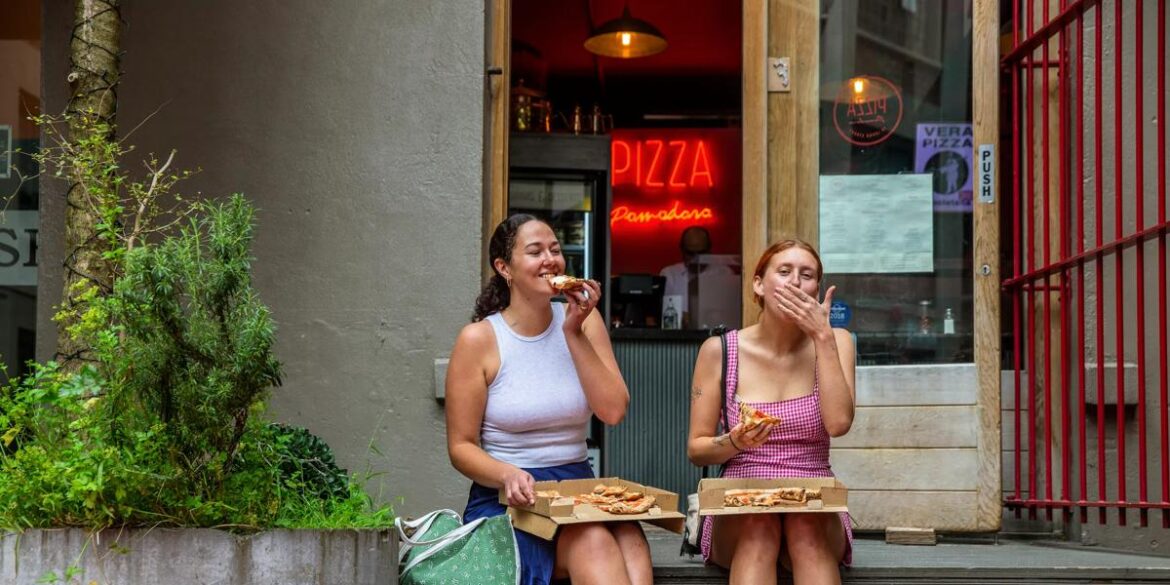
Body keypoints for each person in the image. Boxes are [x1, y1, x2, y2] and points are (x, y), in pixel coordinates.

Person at [445, 213, 652, 585]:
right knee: (594, 542)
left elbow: (614, 410)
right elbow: (461, 446)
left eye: (555, 250)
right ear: (504, 267)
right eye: (535, 251)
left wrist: (573, 332)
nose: (550, 259)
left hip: (578, 486)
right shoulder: (478, 339)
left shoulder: (584, 321)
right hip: (509, 496)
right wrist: (506, 474)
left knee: (631, 544)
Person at [685, 238, 857, 585]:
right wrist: (734, 441)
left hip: (814, 495)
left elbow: (838, 424)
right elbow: (697, 450)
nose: (795, 282)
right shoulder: (719, 350)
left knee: (803, 523)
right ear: (759, 284)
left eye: (806, 275)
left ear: (817, 290)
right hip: (740, 496)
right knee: (759, 524)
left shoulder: (836, 341)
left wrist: (821, 337)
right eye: (784, 271)